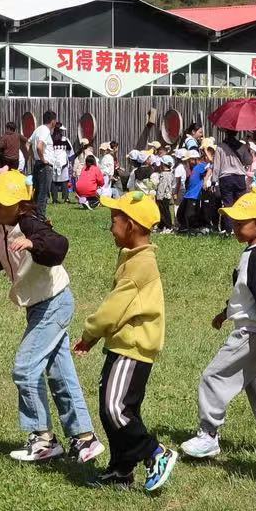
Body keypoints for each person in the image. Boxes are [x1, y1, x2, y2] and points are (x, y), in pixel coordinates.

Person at [0, 170, 102, 465]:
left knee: (25, 368)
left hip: (54, 303)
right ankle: (85, 440)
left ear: (21, 205)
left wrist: (34, 244)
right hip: (38, 306)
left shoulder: (30, 223)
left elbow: (59, 246)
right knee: (60, 374)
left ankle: (43, 439)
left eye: (4, 203)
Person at [73, 189, 176, 493]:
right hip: (122, 345)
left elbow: (113, 308)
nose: (110, 225)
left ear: (130, 225)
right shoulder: (132, 256)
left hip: (133, 348)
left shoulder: (141, 264)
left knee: (117, 409)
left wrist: (90, 333)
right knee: (112, 408)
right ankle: (121, 470)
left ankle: (156, 453)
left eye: (114, 219)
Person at [179, 191, 256, 463]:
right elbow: (245, 293)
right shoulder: (254, 252)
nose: (234, 227)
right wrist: (225, 313)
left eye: (241, 223)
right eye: (234, 222)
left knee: (214, 376)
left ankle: (208, 435)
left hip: (252, 332)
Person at [29, 112, 57, 208]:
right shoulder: (45, 130)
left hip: (37, 163)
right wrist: (43, 159)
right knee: (43, 194)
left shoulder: (38, 129)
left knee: (37, 192)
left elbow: (27, 144)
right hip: (44, 166)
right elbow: (39, 146)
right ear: (52, 121)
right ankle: (40, 218)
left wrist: (34, 157)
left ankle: (34, 216)